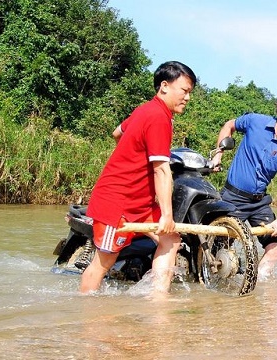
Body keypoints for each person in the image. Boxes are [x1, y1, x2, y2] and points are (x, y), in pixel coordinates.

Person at [80, 61, 197, 295]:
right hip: (118, 203)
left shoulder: (146, 110)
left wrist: (131, 157)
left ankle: (157, 300)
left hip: (140, 203)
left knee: (171, 239)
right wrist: (166, 214)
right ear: (164, 86)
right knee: (104, 261)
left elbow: (117, 132)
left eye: (190, 93)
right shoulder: (158, 117)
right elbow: (161, 170)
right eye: (184, 91)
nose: (187, 98)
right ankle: (87, 315)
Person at [212, 89, 277, 279]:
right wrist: (218, 154)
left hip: (259, 203)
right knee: (220, 247)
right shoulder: (255, 122)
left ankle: (255, 291)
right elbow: (229, 125)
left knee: (276, 246)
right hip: (232, 198)